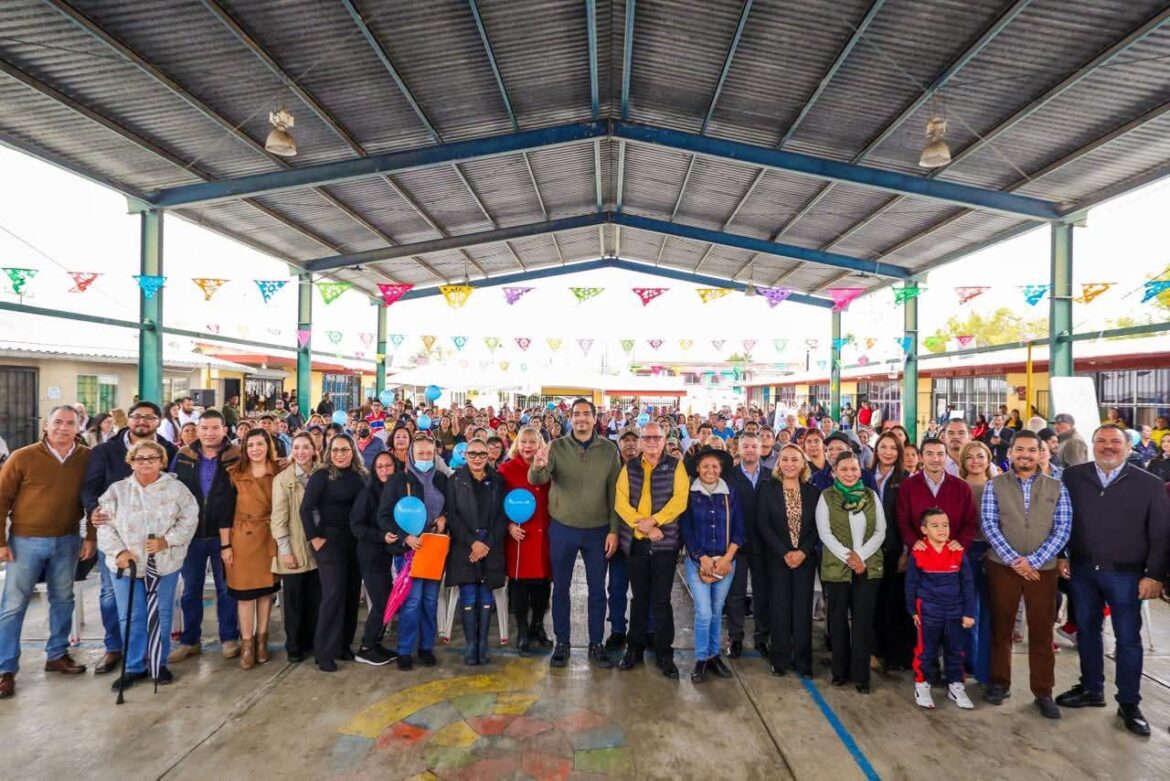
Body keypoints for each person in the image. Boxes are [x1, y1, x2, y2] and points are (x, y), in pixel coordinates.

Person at [1056, 424, 1170, 736]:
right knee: (1088, 632)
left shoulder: (1149, 484)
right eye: (1101, 441)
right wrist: (1062, 555)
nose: (1108, 447)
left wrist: (1154, 575)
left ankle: (1129, 703)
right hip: (1082, 571)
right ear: (1092, 445)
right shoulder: (1074, 477)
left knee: (1128, 640)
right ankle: (1092, 688)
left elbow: (1161, 533)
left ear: (1128, 447)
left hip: (1127, 574)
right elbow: (1062, 519)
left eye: (1115, 442)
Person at [0, 406, 94, 698]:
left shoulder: (87, 458)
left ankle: (57, 654)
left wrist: (90, 536)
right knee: (13, 605)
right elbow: (1, 499)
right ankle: (5, 669)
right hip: (25, 541)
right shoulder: (23, 457)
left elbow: (95, 499)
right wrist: (1, 542)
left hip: (67, 540)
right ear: (45, 425)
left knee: (63, 599)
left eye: (70, 423)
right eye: (57, 422)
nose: (63, 428)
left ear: (78, 427)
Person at [81, 401, 178, 676]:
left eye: (149, 417)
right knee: (113, 597)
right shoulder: (105, 450)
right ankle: (116, 649)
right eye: (137, 417)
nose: (142, 422)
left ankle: (153, 656)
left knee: (156, 603)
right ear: (128, 419)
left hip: (154, 543)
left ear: (158, 421)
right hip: (115, 539)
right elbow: (90, 488)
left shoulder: (170, 450)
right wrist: (94, 509)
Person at [980, 430, 1072, 719]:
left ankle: (1043, 691)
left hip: (1042, 571)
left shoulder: (1057, 487)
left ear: (1041, 453)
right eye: (1019, 449)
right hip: (1002, 567)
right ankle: (999, 683)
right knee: (1001, 628)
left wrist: (1034, 560)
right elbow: (989, 525)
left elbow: (1063, 529)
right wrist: (1014, 561)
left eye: (1032, 450)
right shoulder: (994, 485)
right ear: (1010, 453)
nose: (1025, 455)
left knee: (1042, 631)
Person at [96, 440, 198, 690]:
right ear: (131, 461)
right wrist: (118, 551)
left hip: (163, 564)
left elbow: (189, 519)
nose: (146, 463)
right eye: (140, 458)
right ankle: (133, 666)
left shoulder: (176, 489)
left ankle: (158, 663)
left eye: (152, 458)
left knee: (161, 614)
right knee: (131, 615)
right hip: (127, 565)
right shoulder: (117, 491)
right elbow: (104, 524)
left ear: (161, 461)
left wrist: (167, 541)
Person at [529, 398, 622, 669]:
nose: (581, 418)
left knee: (597, 591)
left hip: (598, 531)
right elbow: (538, 479)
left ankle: (596, 643)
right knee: (560, 589)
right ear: (569, 418)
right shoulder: (556, 447)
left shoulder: (609, 450)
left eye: (586, 414)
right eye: (576, 414)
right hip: (563, 529)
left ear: (595, 419)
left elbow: (614, 493)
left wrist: (614, 530)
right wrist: (537, 464)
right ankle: (562, 643)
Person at [614, 422, 687, 679]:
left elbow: (680, 500)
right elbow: (620, 502)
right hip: (637, 542)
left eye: (657, 437)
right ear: (642, 441)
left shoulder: (676, 466)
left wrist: (655, 521)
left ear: (665, 439)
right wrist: (642, 526)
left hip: (664, 544)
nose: (652, 441)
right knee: (640, 598)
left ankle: (665, 654)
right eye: (648, 437)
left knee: (662, 600)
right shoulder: (629, 467)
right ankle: (633, 650)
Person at [169, 411, 242, 664]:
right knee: (191, 590)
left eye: (215, 428)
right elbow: (172, 491)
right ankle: (190, 641)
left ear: (225, 430)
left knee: (226, 589)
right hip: (191, 536)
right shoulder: (183, 456)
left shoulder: (236, 456)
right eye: (204, 428)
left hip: (224, 534)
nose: (209, 433)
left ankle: (229, 637)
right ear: (196, 430)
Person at [816, 450, 886, 693]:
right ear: (834, 471)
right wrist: (849, 557)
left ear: (860, 471)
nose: (849, 473)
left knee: (863, 622)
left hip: (867, 567)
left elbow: (880, 531)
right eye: (843, 469)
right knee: (837, 622)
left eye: (854, 469)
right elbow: (825, 533)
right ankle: (839, 671)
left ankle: (861, 676)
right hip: (837, 567)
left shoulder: (870, 496)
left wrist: (861, 557)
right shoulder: (826, 497)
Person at [379, 434, 448, 671]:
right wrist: (404, 536)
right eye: (421, 454)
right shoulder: (398, 481)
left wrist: (444, 518)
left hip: (434, 548)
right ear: (411, 455)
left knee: (430, 600)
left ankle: (426, 647)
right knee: (411, 601)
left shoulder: (441, 479)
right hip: (409, 550)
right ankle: (404, 650)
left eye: (430, 454)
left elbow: (451, 507)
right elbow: (384, 516)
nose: (425, 458)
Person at [301, 433, 366, 672]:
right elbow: (306, 509)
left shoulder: (361, 477)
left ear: (353, 452)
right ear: (329, 452)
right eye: (336, 450)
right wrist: (314, 538)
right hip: (329, 544)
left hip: (354, 544)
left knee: (351, 595)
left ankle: (342, 645)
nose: (340, 454)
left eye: (345, 450)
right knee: (333, 596)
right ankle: (324, 651)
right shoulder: (322, 476)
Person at [680, 447, 744, 683]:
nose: (710, 470)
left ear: (721, 469)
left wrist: (728, 558)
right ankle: (701, 657)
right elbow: (685, 529)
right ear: (697, 468)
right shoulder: (689, 494)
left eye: (715, 466)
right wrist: (702, 557)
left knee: (717, 611)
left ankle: (714, 655)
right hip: (698, 562)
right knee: (704, 612)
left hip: (726, 563)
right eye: (705, 466)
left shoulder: (731, 494)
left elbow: (739, 529)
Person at [220, 429, 281, 670]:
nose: (255, 449)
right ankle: (246, 643)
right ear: (244, 448)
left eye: (260, 444)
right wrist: (225, 544)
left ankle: (261, 640)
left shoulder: (278, 471)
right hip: (242, 538)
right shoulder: (234, 473)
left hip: (269, 536)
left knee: (266, 593)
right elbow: (224, 513)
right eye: (250, 444)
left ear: (268, 446)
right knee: (245, 596)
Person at [757, 444, 819, 677]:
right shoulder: (767, 489)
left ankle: (803, 662)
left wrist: (802, 551)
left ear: (803, 463)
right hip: (777, 558)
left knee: (802, 610)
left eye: (795, 460)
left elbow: (816, 528)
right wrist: (784, 552)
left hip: (805, 558)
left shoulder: (813, 492)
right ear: (778, 463)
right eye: (785, 459)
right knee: (779, 607)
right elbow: (763, 525)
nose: (790, 464)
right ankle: (780, 659)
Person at [906, 508, 976, 710]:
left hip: (955, 611)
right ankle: (922, 685)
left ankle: (955, 686)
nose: (942, 530)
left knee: (955, 651)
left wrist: (969, 612)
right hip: (929, 611)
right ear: (924, 529)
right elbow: (911, 585)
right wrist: (912, 611)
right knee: (926, 652)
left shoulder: (958, 552)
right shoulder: (918, 553)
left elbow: (968, 584)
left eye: (945, 525)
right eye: (935, 526)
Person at [446, 441, 507, 666]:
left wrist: (486, 544)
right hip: (465, 547)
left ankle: (483, 643)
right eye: (473, 453)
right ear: (465, 455)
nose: (478, 457)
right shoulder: (455, 480)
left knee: (485, 594)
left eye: (482, 453)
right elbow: (452, 516)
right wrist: (473, 543)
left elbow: (503, 516)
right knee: (469, 593)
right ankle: (471, 644)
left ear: (489, 455)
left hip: (490, 545)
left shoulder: (498, 480)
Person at [498, 427, 553, 654]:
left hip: (545, 535)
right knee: (519, 587)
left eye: (532, 441)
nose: (527, 446)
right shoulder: (506, 469)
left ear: (540, 443)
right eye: (523, 442)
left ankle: (537, 626)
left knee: (543, 585)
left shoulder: (549, 468)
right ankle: (521, 630)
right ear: (517, 444)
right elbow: (496, 504)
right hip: (519, 537)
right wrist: (508, 526)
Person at [270, 432, 321, 663]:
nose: (301, 452)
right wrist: (285, 550)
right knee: (293, 602)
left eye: (305, 447)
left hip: (319, 548)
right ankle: (294, 646)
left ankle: (311, 642)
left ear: (313, 450)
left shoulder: (323, 475)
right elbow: (278, 519)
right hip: (294, 548)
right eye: (297, 447)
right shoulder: (283, 480)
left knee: (315, 599)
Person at [345, 451, 399, 667]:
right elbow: (356, 525)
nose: (385, 470)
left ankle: (376, 643)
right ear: (374, 470)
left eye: (388, 466)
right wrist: (381, 536)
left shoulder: (396, 491)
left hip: (387, 556)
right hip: (371, 555)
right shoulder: (368, 493)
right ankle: (366, 647)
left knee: (388, 602)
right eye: (380, 467)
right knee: (381, 602)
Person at [725, 431, 771, 660]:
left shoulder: (772, 477)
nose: (751, 450)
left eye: (754, 446)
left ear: (762, 448)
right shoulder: (729, 476)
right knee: (736, 595)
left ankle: (762, 638)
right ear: (739, 449)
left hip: (764, 546)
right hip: (737, 545)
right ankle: (735, 638)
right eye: (746, 446)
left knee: (763, 594)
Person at [871, 431, 913, 673]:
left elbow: (909, 518)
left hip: (895, 548)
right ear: (876, 450)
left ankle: (895, 655)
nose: (887, 452)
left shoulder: (906, 480)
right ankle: (875, 650)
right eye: (883, 447)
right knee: (873, 603)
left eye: (893, 448)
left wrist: (906, 551)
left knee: (894, 603)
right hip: (869, 550)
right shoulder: (865, 476)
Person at [895, 438, 978, 554]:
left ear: (946, 456)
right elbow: (903, 520)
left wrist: (961, 542)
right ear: (920, 457)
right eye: (929, 454)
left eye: (940, 454)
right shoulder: (908, 486)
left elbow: (971, 521)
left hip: (954, 554)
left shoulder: (962, 487)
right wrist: (913, 541)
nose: (935, 459)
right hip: (919, 554)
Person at [959, 440, 995, 685]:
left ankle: (985, 669)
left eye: (980, 456)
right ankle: (964, 663)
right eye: (970, 457)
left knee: (988, 613)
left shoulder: (997, 486)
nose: (975, 461)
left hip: (992, 552)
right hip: (964, 552)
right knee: (966, 610)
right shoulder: (958, 487)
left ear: (988, 459)